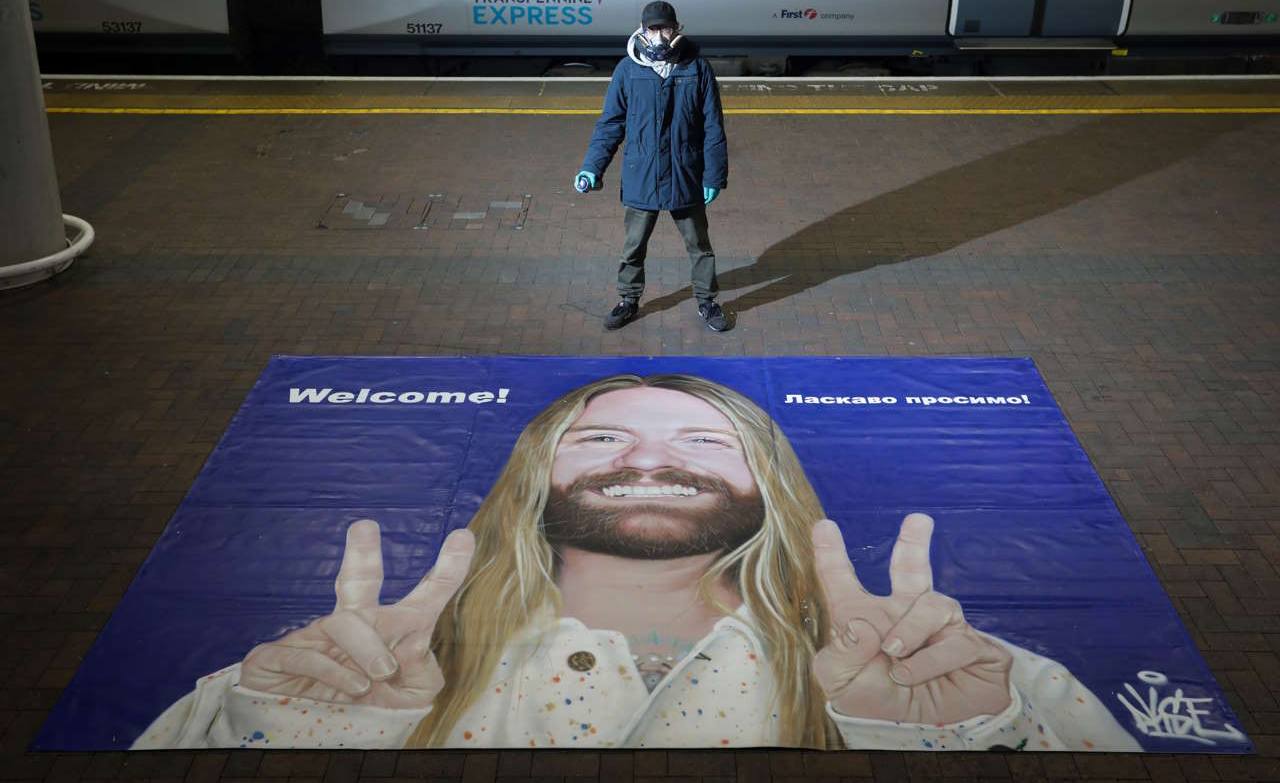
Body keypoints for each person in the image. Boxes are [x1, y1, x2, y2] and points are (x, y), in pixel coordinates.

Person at [133, 375, 1139, 751]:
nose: (648, 458)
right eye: (598, 440)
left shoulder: (986, 685)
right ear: (533, 477)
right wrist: (304, 729)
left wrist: (947, 740)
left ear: (766, 484)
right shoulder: (310, 679)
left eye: (704, 443)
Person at [575, 1, 729, 333]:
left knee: (699, 246)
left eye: (666, 28)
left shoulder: (697, 68)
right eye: (654, 29)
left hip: (684, 174)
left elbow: (713, 126)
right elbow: (610, 125)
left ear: (677, 30)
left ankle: (707, 301)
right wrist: (592, 168)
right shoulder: (627, 71)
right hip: (641, 175)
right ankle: (628, 300)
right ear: (642, 32)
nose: (660, 36)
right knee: (633, 246)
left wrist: (714, 174)